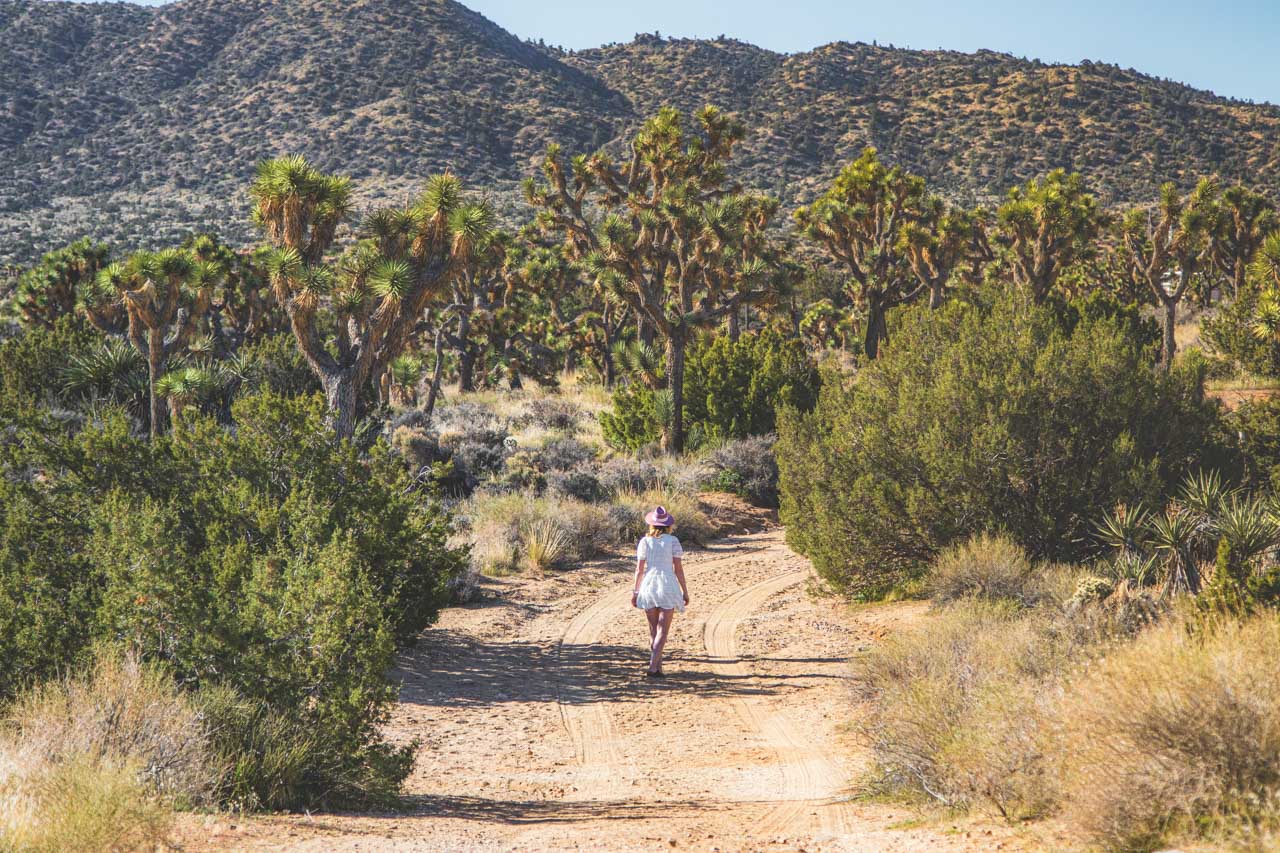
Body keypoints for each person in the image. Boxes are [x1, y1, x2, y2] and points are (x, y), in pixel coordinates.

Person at [630, 506, 690, 677]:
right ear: (668, 525)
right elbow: (678, 569)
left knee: (653, 630)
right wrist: (684, 591)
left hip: (649, 585)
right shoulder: (673, 541)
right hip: (668, 585)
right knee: (663, 630)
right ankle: (652, 666)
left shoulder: (645, 542)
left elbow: (639, 570)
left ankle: (658, 667)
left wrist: (635, 591)